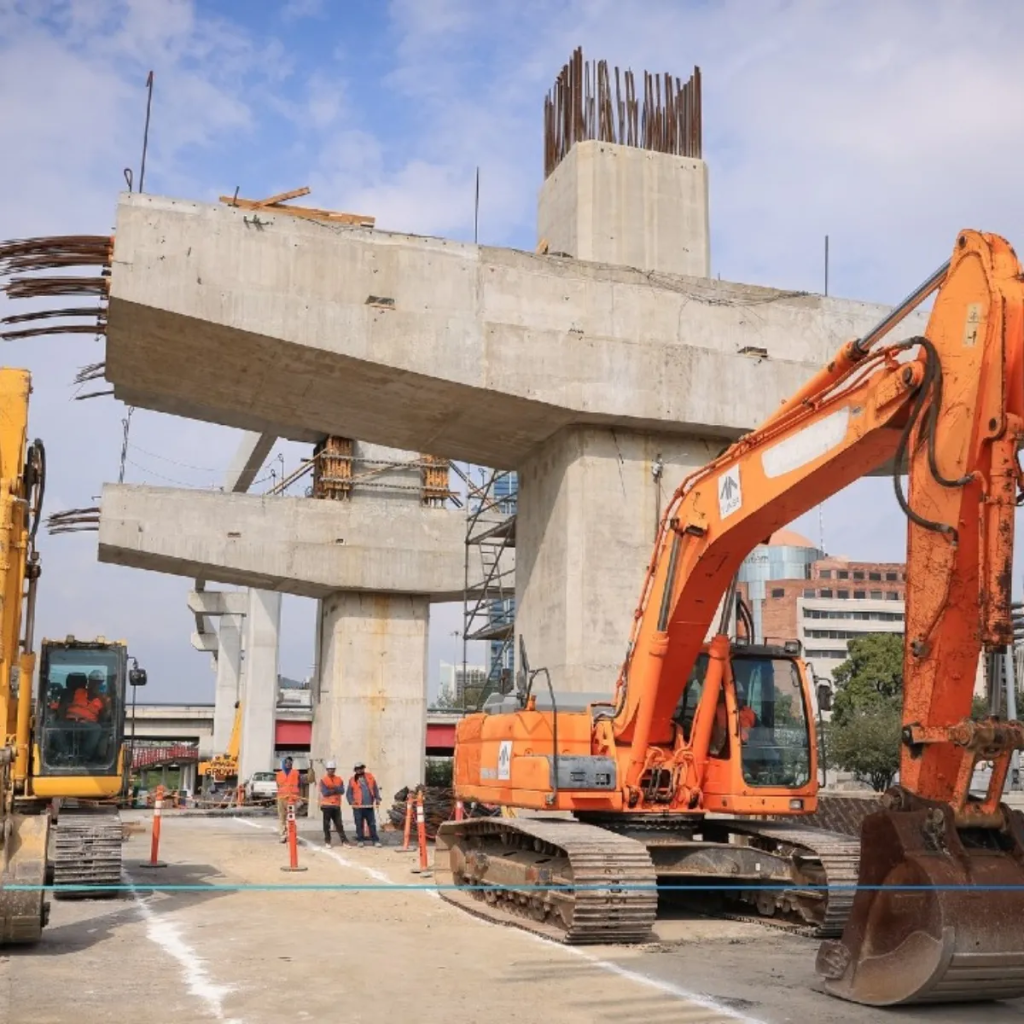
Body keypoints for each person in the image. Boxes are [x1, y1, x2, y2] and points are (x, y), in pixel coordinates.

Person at [346, 762, 382, 847]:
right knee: (359, 824)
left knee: (372, 824)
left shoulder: (370, 777)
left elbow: (375, 789)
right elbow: (349, 794)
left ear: (363, 769)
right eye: (357, 769)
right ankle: (360, 840)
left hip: (369, 806)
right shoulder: (352, 780)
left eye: (360, 768)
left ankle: (375, 840)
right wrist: (352, 801)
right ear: (355, 770)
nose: (359, 770)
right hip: (358, 807)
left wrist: (377, 798)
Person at [318, 761, 347, 847]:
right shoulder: (323, 780)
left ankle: (344, 841)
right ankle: (327, 841)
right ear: (327, 769)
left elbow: (342, 791)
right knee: (326, 825)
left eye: (333, 769)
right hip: (326, 805)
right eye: (330, 769)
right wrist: (335, 789)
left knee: (339, 824)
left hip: (336, 805)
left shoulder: (339, 779)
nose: (331, 770)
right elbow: (325, 793)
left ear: (335, 769)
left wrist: (332, 788)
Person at [275, 756, 302, 843]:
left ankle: (292, 836)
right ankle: (283, 835)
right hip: (281, 798)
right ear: (284, 763)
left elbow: (300, 785)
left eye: (290, 762)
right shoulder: (279, 774)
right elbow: (278, 786)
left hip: (292, 799)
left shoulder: (296, 773)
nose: (288, 763)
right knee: (282, 818)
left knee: (291, 818)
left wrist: (299, 798)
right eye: (287, 762)